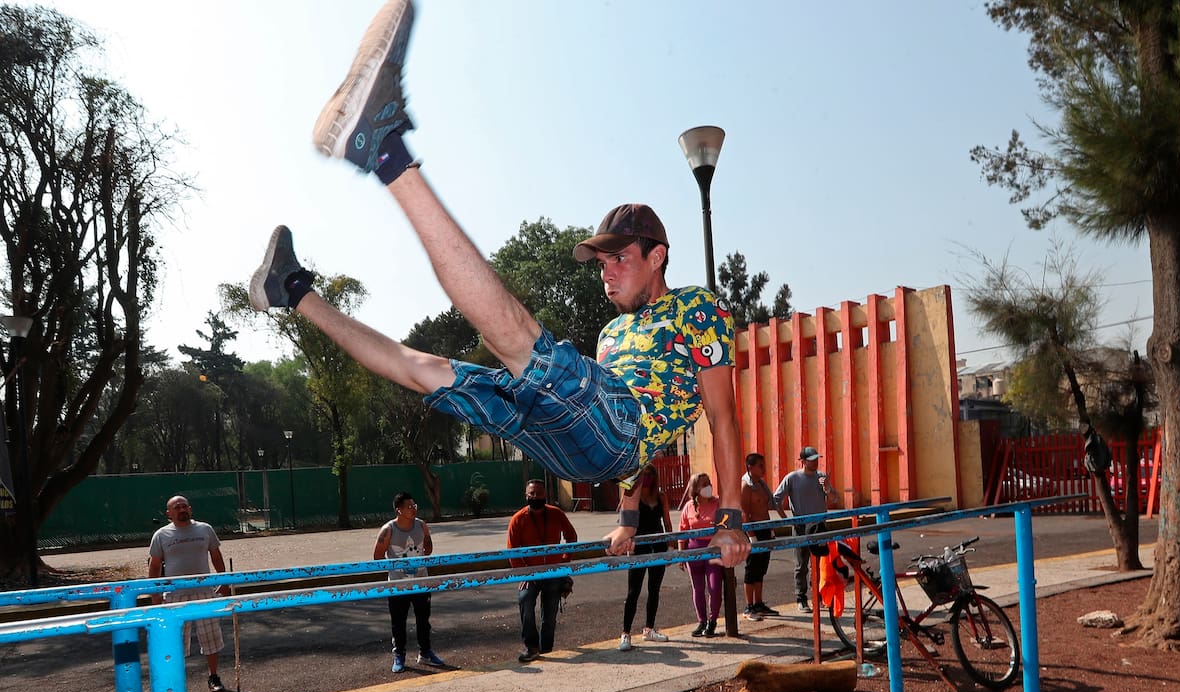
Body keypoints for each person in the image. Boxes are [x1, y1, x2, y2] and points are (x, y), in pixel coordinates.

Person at [246, 0, 749, 569]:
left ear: (658, 257)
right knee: (430, 371)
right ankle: (292, 291)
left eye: (619, 259)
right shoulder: (612, 333)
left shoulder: (697, 309)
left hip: (615, 433)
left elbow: (721, 414)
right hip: (576, 439)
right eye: (601, 261)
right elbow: (616, 424)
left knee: (523, 341)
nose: (606, 271)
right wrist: (627, 521)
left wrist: (731, 516)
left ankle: (383, 146)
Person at [147, 495, 229, 692]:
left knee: (210, 637)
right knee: (175, 641)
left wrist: (224, 582)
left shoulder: (205, 529)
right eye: (177, 507)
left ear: (190, 509)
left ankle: (213, 676)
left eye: (184, 506)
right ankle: (175, 681)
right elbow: (155, 564)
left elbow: (216, 556)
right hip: (175, 595)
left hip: (204, 593)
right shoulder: (162, 535)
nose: (182, 509)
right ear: (169, 513)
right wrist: (155, 593)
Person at [372, 491, 445, 673]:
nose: (413, 509)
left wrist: (418, 558)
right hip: (398, 585)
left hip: (421, 582)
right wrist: (397, 567)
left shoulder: (421, 525)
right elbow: (377, 556)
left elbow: (428, 548)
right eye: (409, 507)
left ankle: (425, 652)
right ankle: (399, 655)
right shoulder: (388, 530)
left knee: (423, 619)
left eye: (415, 506)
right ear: (399, 510)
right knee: (398, 622)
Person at [508, 479, 578, 663]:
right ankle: (530, 647)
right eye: (532, 493)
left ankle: (546, 649)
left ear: (545, 495)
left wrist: (564, 561)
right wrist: (525, 574)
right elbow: (512, 550)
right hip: (530, 574)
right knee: (525, 601)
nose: (535, 497)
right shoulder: (518, 519)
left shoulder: (556, 514)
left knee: (550, 615)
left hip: (552, 572)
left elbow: (572, 536)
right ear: (526, 495)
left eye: (539, 493)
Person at [773, 446, 840, 612]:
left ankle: (819, 596)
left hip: (819, 525)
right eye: (812, 460)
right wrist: (785, 519)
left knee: (820, 564)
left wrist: (827, 488)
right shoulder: (792, 478)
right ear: (803, 461)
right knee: (801, 564)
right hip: (801, 526)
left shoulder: (822, 477)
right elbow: (776, 499)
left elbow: (834, 498)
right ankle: (801, 598)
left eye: (817, 459)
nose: (816, 462)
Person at [618, 463, 674, 651]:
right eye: (645, 474)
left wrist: (670, 546)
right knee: (633, 591)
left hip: (658, 544)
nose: (647, 477)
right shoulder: (633, 496)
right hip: (638, 546)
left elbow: (667, 521)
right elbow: (624, 523)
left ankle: (649, 629)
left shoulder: (661, 497)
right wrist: (627, 544)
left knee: (654, 590)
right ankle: (625, 633)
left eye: (651, 474)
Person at [677, 473, 724, 638]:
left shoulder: (718, 503)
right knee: (698, 589)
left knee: (714, 587)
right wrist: (682, 554)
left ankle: (713, 621)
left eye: (709, 483)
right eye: (704, 484)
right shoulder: (689, 507)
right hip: (694, 551)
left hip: (713, 550)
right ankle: (702, 621)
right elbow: (682, 530)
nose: (708, 486)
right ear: (696, 489)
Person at [740, 453, 785, 620]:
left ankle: (759, 603)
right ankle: (748, 606)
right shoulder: (745, 486)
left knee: (762, 567)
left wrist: (775, 526)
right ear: (750, 467)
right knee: (751, 568)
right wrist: (751, 535)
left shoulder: (761, 484)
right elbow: (744, 511)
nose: (763, 468)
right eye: (760, 465)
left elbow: (769, 505)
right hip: (754, 531)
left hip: (765, 529)